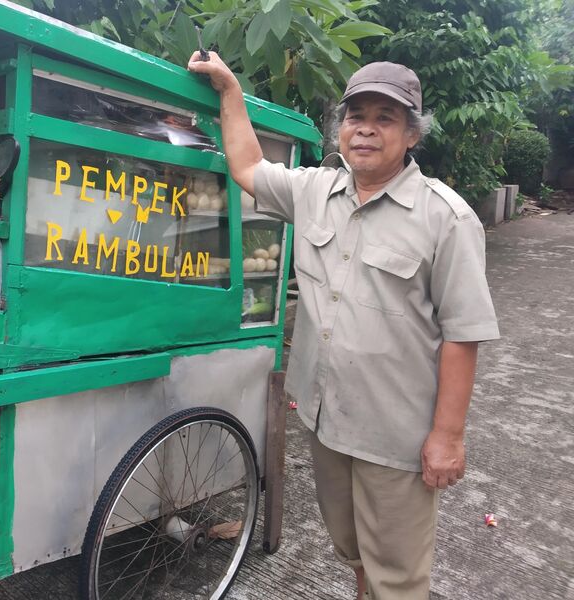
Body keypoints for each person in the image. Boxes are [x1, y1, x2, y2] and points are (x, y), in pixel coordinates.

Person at [187, 53, 500, 600]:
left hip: (395, 434)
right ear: (341, 128)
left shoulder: (445, 218)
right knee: (351, 549)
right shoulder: (315, 192)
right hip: (326, 419)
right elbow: (246, 168)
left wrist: (447, 436)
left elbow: (463, 332)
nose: (367, 130)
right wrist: (230, 91)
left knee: (397, 577)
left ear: (411, 135)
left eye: (386, 118)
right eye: (357, 116)